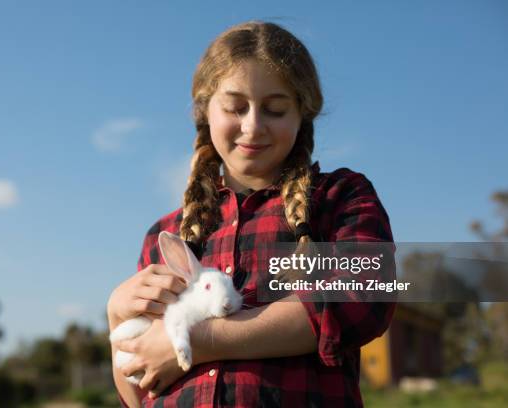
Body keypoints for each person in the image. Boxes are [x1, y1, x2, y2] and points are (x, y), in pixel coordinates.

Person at [107, 20, 395, 407]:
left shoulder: (339, 197)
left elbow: (364, 299)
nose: (253, 126)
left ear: (302, 114)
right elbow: (137, 391)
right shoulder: (165, 234)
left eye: (275, 109)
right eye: (235, 107)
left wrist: (200, 339)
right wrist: (116, 316)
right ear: (205, 111)